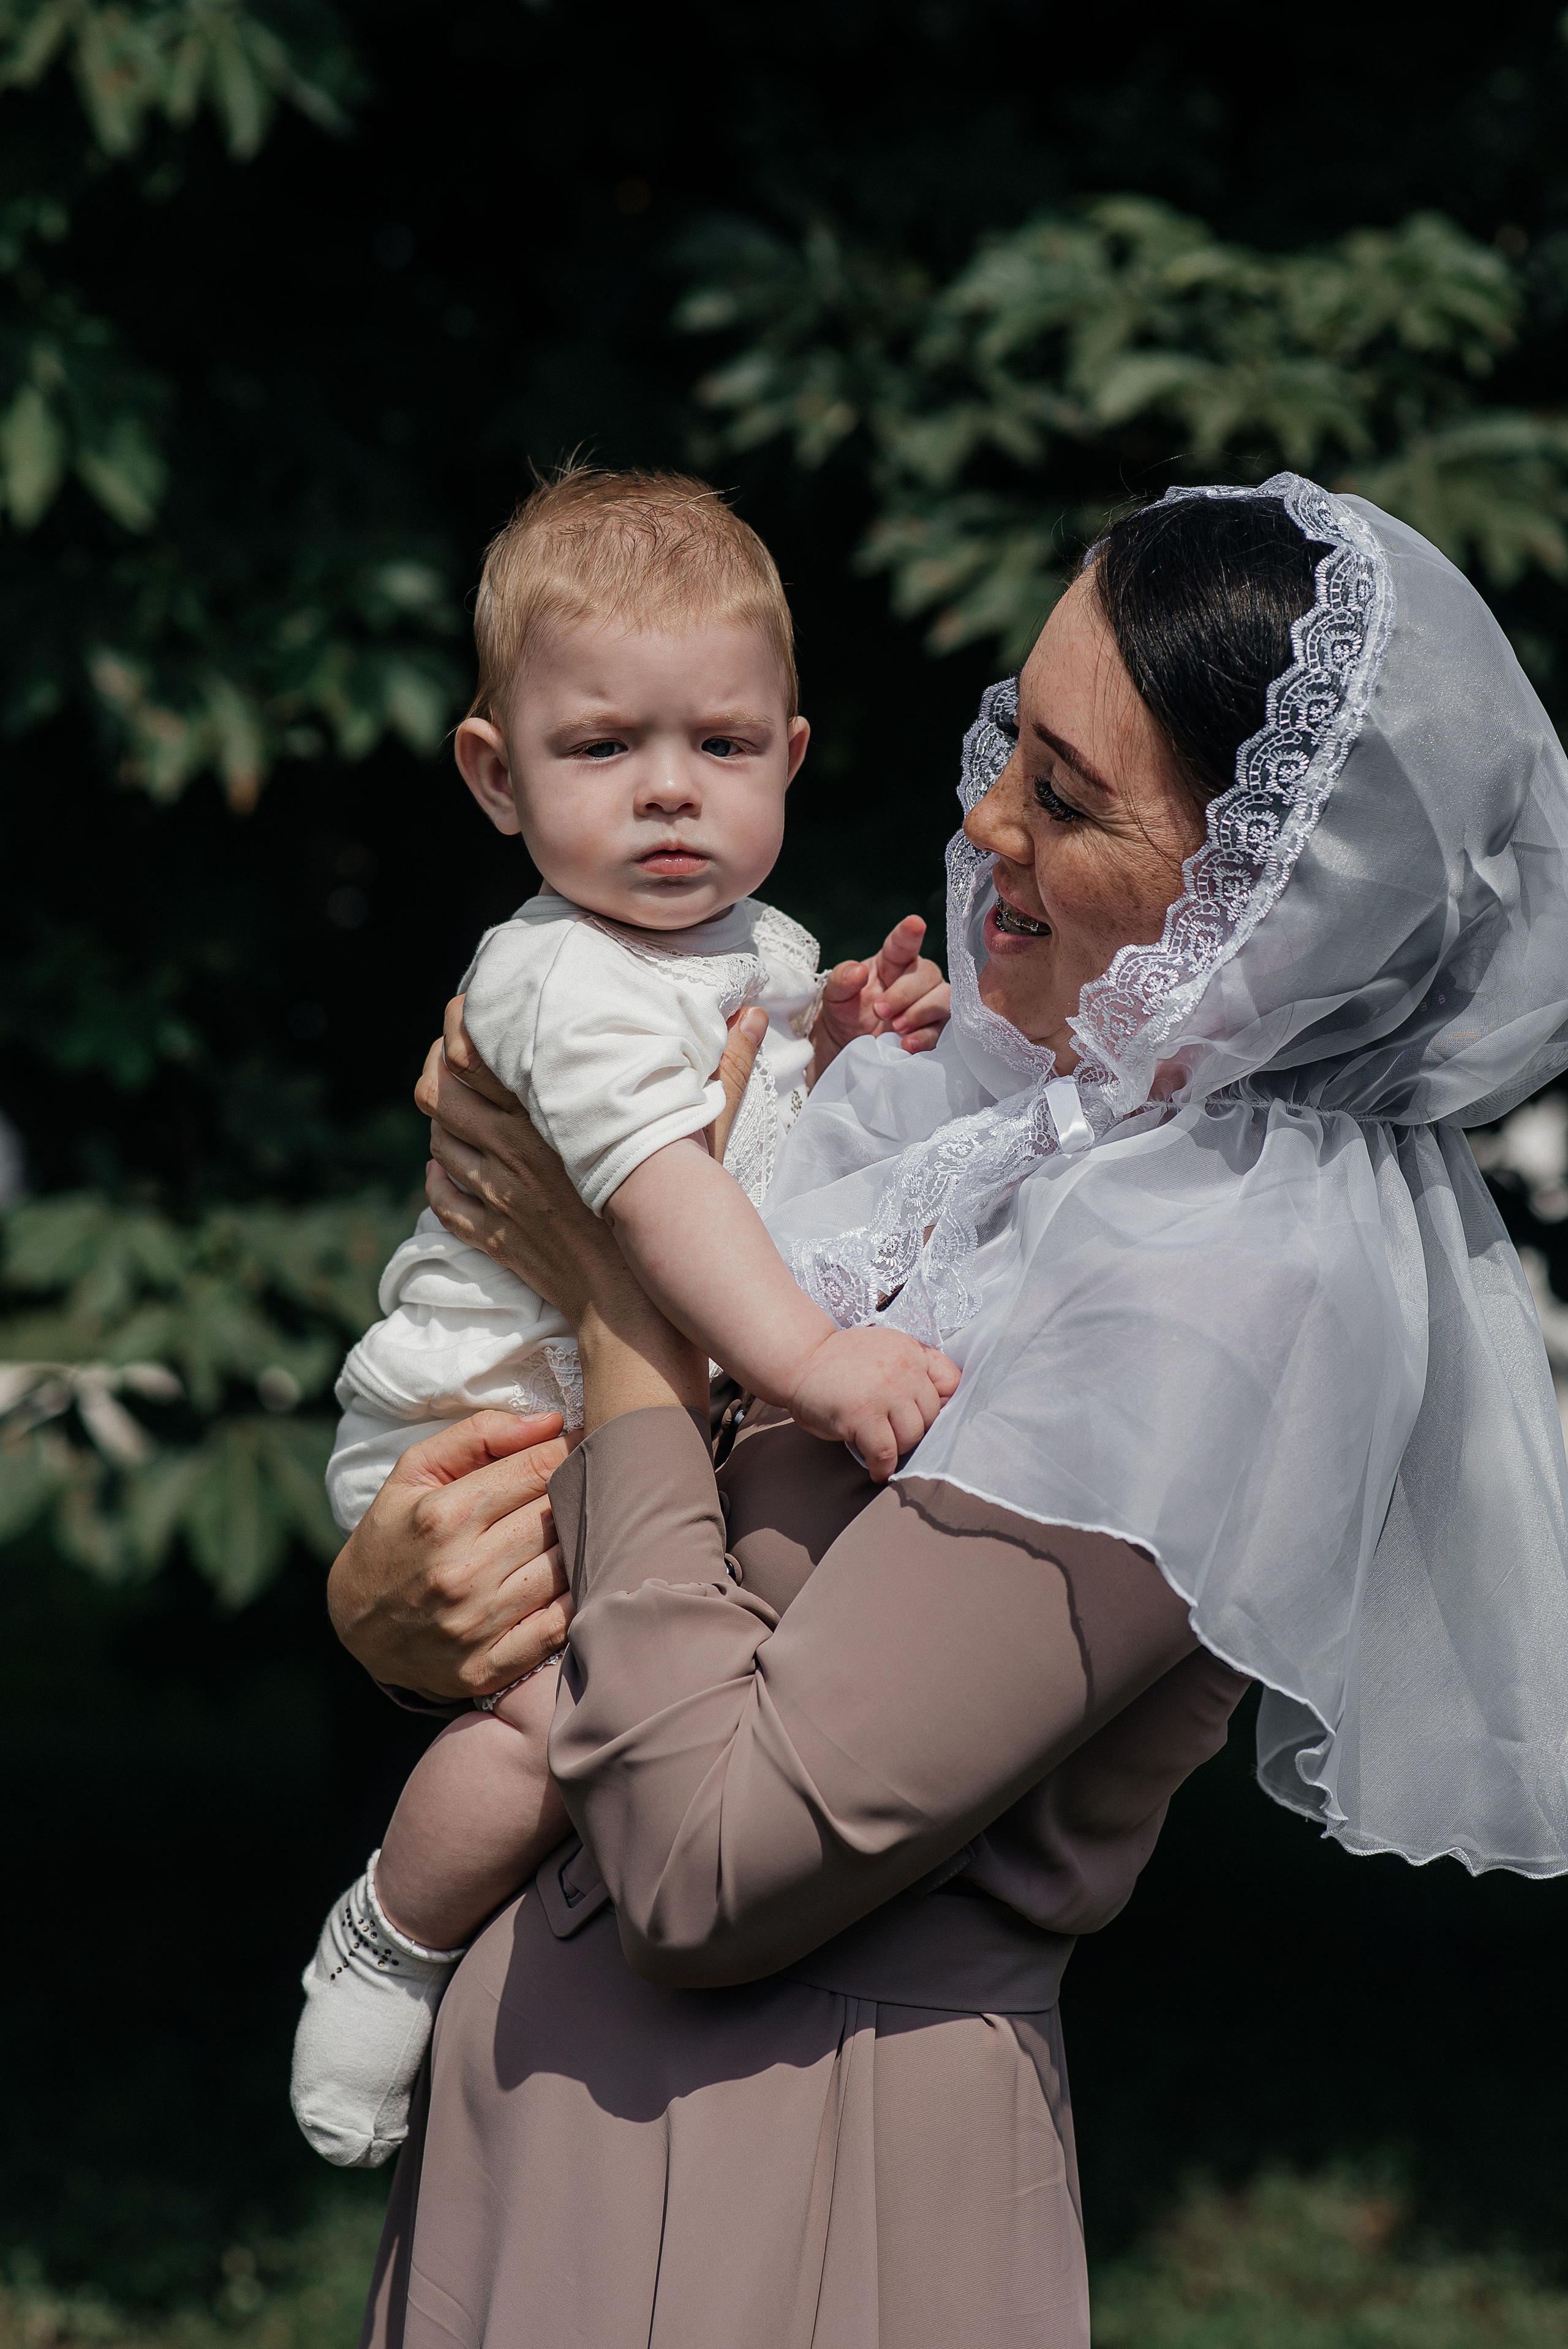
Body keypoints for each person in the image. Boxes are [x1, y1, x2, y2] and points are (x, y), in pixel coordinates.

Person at [327, 475, 1568, 2348]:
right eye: (1014, 746)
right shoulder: (981, 1121)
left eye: (1066, 797)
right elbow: (658, 1588)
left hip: (788, 2197)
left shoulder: (1225, 1292)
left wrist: (623, 1289)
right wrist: (403, 1607)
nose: (983, 816)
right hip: (566, 2151)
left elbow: (712, 1857)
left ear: (1269, 887)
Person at [291, 467, 955, 2170]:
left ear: (788, 760)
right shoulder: (553, 976)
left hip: (628, 1427)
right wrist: (815, 1362)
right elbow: (661, 1191)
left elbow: (767, 1141)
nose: (671, 793)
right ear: (497, 778)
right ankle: (392, 1933)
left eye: (722, 748)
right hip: (482, 1437)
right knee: (534, 1743)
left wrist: (851, 1039)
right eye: (603, 750)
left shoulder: (759, 941)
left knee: (663, 1711)